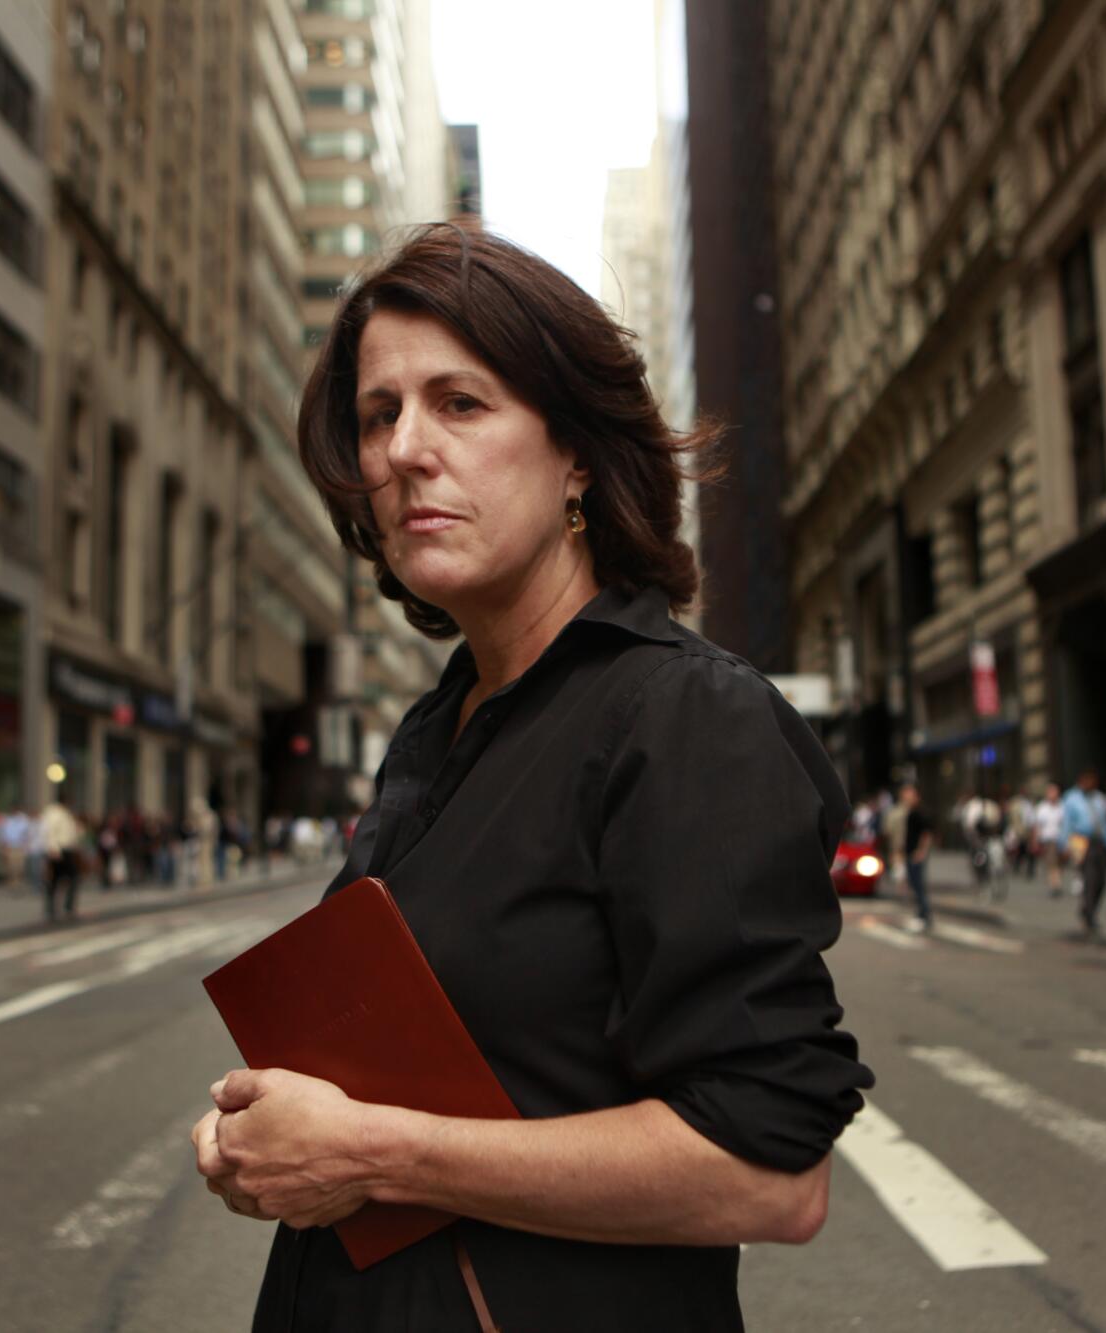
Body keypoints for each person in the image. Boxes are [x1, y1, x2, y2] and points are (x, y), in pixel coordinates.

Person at [189, 224, 871, 1332]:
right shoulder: (438, 726)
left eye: (460, 403)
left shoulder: (682, 717)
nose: (404, 449)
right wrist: (268, 1140)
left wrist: (370, 1149)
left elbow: (769, 1177)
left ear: (578, 457)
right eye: (379, 413)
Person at [1061, 770, 1106, 936]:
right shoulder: (1071, 798)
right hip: (1081, 842)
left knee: (1102, 879)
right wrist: (1064, 845)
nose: (1091, 784)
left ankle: (1088, 909)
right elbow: (1066, 823)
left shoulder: (1099, 798)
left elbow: (1105, 823)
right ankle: (1089, 915)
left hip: (1099, 842)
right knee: (1089, 878)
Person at [900, 781, 936, 930]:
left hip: (916, 855)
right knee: (914, 885)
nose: (905, 798)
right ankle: (920, 914)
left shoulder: (919, 813)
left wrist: (921, 852)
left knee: (918, 886)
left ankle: (924, 916)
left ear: (916, 796)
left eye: (908, 795)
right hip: (910, 853)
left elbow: (927, 834)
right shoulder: (910, 812)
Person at [40, 794, 81, 923]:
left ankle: (60, 907)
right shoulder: (54, 813)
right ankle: (54, 907)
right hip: (58, 850)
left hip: (66, 849)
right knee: (58, 879)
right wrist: (53, 849)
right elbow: (49, 832)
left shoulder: (65, 814)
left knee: (61, 879)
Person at [1034, 782, 1065, 897]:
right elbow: (1038, 825)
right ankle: (1055, 885)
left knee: (1060, 864)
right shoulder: (1042, 808)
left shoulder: (1062, 806)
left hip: (1061, 839)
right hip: (1048, 839)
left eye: (1055, 792)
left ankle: (1056, 882)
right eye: (1051, 792)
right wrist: (1036, 840)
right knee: (1052, 863)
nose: (1053, 794)